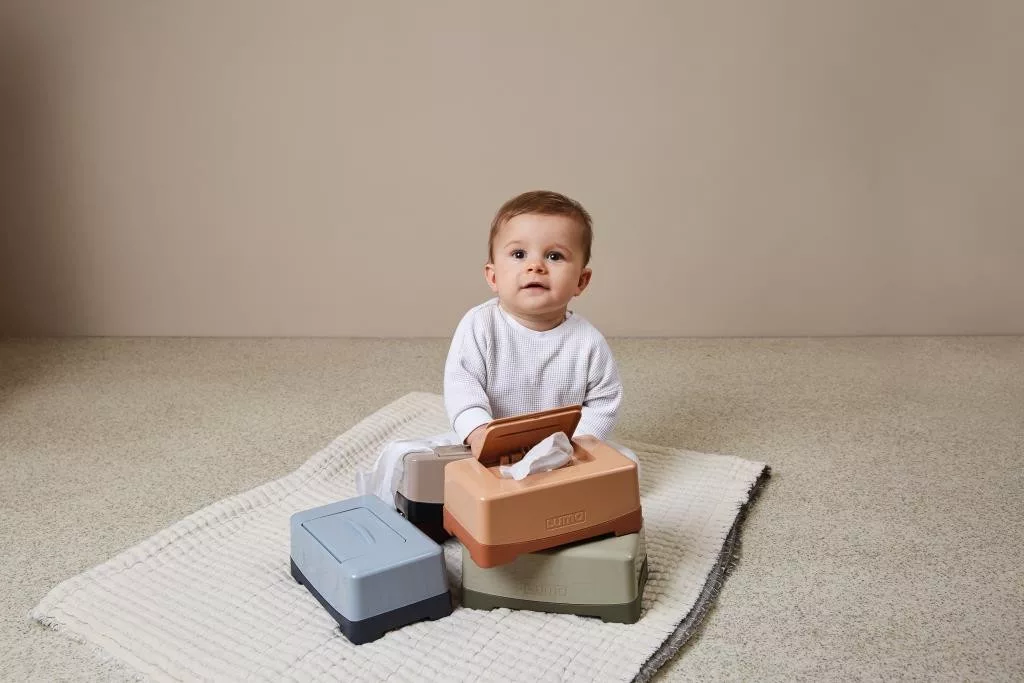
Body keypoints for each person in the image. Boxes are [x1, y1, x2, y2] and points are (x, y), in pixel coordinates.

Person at [356, 190, 632, 506]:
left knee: (626, 465)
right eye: (519, 254)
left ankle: (547, 492)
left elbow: (604, 399)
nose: (535, 266)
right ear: (493, 276)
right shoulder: (480, 325)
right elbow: (463, 386)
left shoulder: (587, 341)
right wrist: (477, 431)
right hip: (486, 448)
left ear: (581, 280)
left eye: (554, 256)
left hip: (559, 450)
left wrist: (579, 443)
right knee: (404, 458)